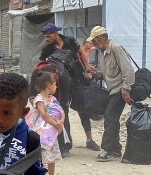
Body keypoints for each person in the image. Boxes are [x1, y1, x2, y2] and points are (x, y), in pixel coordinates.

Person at [39, 23, 89, 158]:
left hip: (77, 80)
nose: (46, 38)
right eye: (45, 36)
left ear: (56, 34)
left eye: (48, 35)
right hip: (60, 86)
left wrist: (88, 69)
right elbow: (40, 66)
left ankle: (90, 139)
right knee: (61, 111)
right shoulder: (47, 49)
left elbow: (82, 53)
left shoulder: (70, 41)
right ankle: (64, 145)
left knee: (83, 108)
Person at [86, 26, 135, 161]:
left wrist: (126, 90)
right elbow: (108, 74)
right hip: (112, 89)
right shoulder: (102, 53)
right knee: (112, 118)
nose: (92, 44)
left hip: (120, 89)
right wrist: (98, 74)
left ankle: (108, 149)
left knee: (109, 117)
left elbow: (128, 71)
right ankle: (116, 148)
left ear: (100, 39)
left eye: (94, 41)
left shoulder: (116, 49)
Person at [27, 71, 63, 175]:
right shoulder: (39, 99)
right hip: (41, 133)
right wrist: (56, 123)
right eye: (55, 84)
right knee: (40, 157)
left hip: (51, 132)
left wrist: (60, 122)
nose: (56, 87)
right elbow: (43, 114)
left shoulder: (53, 99)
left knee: (51, 156)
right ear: (48, 85)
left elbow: (61, 112)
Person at [76, 38, 101, 151]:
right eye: (89, 43)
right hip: (78, 84)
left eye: (92, 43)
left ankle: (89, 139)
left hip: (87, 83)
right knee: (83, 112)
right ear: (84, 43)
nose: (91, 45)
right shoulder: (79, 51)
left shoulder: (89, 50)